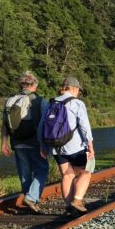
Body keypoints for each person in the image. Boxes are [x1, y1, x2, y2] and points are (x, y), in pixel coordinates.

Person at [39, 76, 95, 215]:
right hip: (75, 146)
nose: (78, 93)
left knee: (67, 175)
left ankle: (68, 208)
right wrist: (90, 144)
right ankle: (77, 201)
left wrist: (43, 146)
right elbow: (84, 126)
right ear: (74, 88)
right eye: (78, 91)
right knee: (85, 172)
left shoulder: (51, 103)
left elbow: (42, 126)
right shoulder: (77, 103)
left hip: (56, 147)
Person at [1, 71, 49, 213]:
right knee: (42, 170)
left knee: (24, 173)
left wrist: (3, 143)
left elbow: (4, 124)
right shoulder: (40, 101)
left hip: (17, 143)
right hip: (35, 142)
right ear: (34, 85)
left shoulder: (10, 100)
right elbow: (45, 124)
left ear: (20, 85)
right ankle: (31, 197)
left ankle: (30, 198)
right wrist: (43, 144)